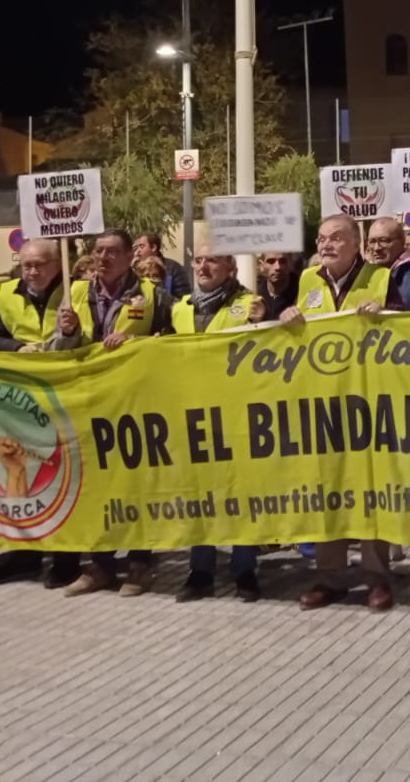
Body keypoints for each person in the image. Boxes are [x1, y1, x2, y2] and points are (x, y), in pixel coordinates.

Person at [280, 214, 401, 612]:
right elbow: (294, 328)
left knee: (370, 488)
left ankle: (376, 577)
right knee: (325, 486)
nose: (326, 244)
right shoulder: (308, 280)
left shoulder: (381, 278)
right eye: (321, 238)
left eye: (335, 238)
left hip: (368, 400)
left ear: (356, 243)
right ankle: (331, 576)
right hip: (322, 399)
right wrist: (287, 319)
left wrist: (385, 316)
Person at [51, 228, 172, 597]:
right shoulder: (74, 293)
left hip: (134, 403)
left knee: (135, 484)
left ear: (128, 257)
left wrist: (137, 343)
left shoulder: (152, 295)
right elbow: (57, 347)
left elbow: (171, 341)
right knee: (95, 484)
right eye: (98, 251)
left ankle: (140, 565)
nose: (102, 257)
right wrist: (68, 332)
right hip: (88, 401)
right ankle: (100, 564)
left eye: (111, 252)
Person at [0, 237, 68, 584]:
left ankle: (66, 558)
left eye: (39, 265)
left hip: (66, 396)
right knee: (25, 478)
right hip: (22, 400)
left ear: (57, 265)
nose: (31, 271)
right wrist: (18, 347)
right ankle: (25, 555)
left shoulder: (78, 291)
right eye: (26, 265)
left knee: (65, 477)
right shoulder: (6, 294)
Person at [174, 249, 265, 603]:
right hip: (192, 412)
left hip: (235, 412)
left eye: (213, 260)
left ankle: (245, 569)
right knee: (200, 494)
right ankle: (200, 570)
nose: (203, 266)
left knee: (241, 492)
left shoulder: (248, 304)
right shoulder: (180, 307)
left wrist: (261, 322)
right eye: (198, 260)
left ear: (231, 267)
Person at [366, 216, 410, 314]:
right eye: (372, 241)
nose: (377, 248)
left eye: (384, 240)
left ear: (402, 242)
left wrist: (386, 313)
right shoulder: (365, 275)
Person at [133, 231, 189, 300]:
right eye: (137, 247)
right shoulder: (134, 268)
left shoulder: (173, 268)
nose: (138, 251)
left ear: (153, 247)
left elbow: (183, 297)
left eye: (142, 246)